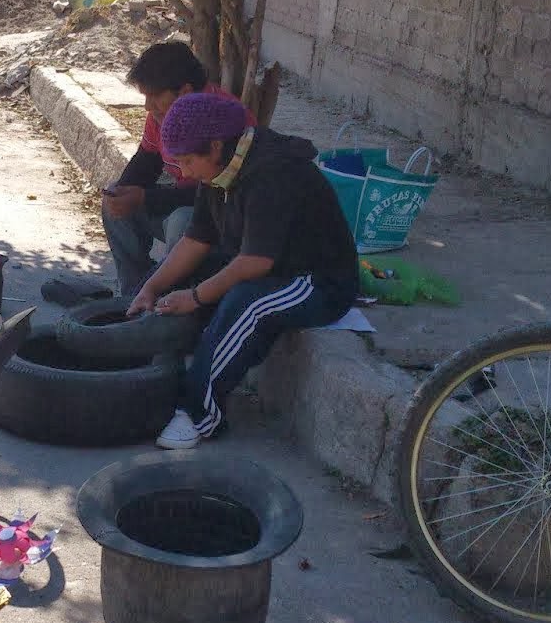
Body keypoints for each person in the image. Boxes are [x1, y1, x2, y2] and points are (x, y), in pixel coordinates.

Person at [127, 92, 360, 450]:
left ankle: (197, 413)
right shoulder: (219, 170)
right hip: (267, 267)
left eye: (188, 161)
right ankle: (157, 375)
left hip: (316, 280)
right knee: (191, 275)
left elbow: (255, 263)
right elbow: (195, 241)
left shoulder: (274, 172)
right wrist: (151, 288)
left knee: (247, 302)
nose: (185, 173)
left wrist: (194, 297)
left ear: (216, 146)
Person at [102, 42, 252, 298]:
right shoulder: (162, 115)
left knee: (183, 221)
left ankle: (171, 298)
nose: (148, 106)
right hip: (184, 200)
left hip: (219, 221)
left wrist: (145, 198)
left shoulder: (224, 120)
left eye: (154, 96)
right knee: (115, 206)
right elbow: (147, 159)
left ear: (184, 92)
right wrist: (122, 191)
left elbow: (214, 194)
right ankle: (133, 295)